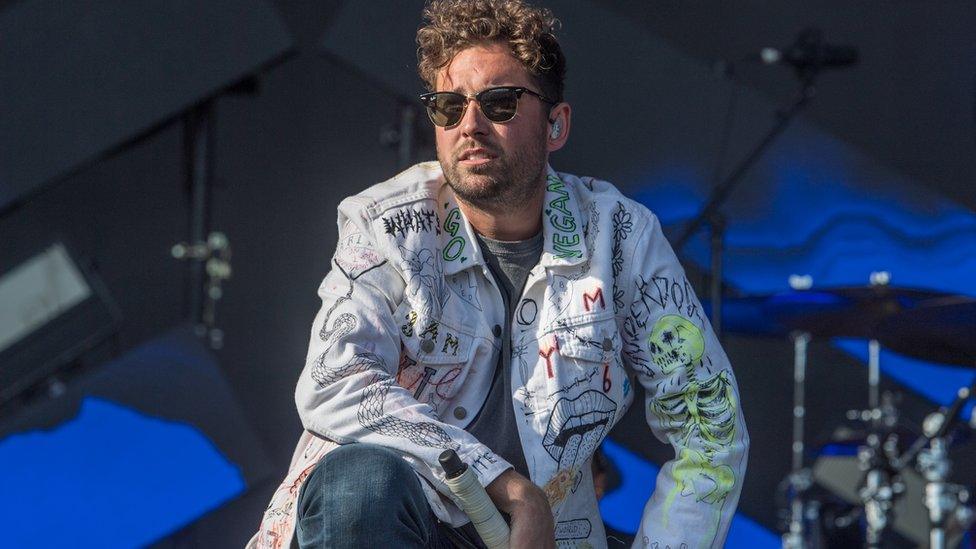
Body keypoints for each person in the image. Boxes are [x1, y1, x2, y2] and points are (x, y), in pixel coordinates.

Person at [249, 1, 748, 547]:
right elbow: (334, 381)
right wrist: (506, 485)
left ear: (556, 124)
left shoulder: (622, 236)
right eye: (448, 106)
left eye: (499, 102)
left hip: (546, 538)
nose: (470, 126)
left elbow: (710, 432)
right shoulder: (387, 225)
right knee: (360, 480)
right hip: (401, 521)